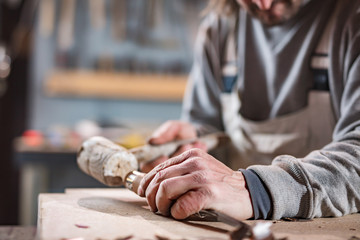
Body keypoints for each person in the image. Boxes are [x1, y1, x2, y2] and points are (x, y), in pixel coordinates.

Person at [138, 0, 360, 221]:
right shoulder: (221, 28)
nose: (262, 4)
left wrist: (258, 190)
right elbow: (211, 128)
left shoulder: (352, 21)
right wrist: (193, 147)